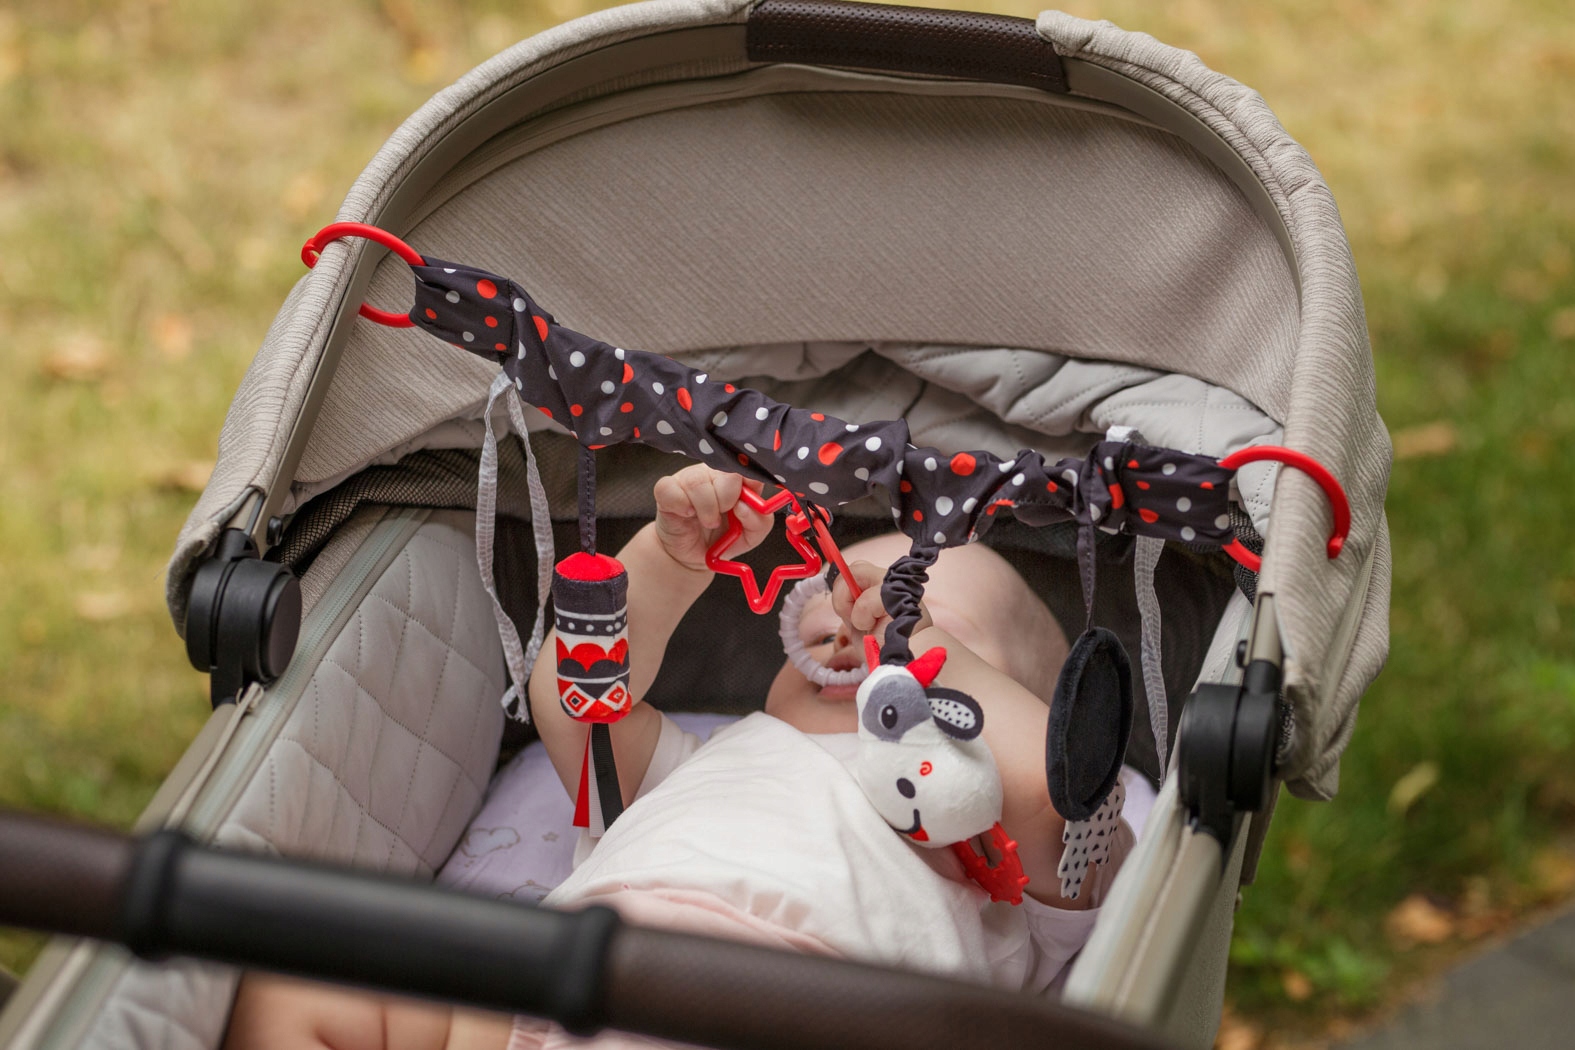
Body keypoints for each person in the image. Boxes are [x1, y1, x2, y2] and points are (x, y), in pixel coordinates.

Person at [224, 464, 1131, 1050]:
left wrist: (930, 656)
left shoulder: (999, 863)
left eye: (921, 613)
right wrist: (662, 565)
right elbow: (580, 712)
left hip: (804, 1013)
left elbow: (1058, 793)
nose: (851, 620)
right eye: (829, 600)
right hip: (553, 1001)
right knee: (303, 980)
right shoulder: (718, 756)